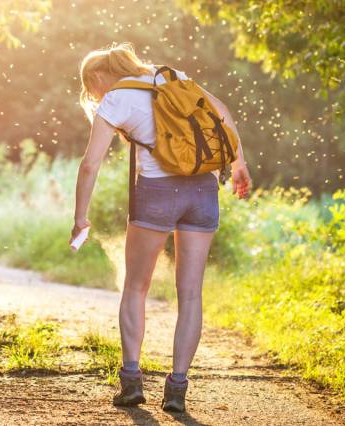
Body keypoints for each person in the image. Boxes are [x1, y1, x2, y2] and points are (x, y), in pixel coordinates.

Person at [70, 43, 251, 412]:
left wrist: (80, 216)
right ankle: (177, 390)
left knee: (136, 286)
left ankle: (132, 383)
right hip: (203, 190)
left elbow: (90, 164)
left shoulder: (116, 99)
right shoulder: (172, 77)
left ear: (98, 77)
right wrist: (238, 165)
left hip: (156, 193)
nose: (95, 95)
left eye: (92, 88)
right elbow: (223, 112)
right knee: (190, 294)